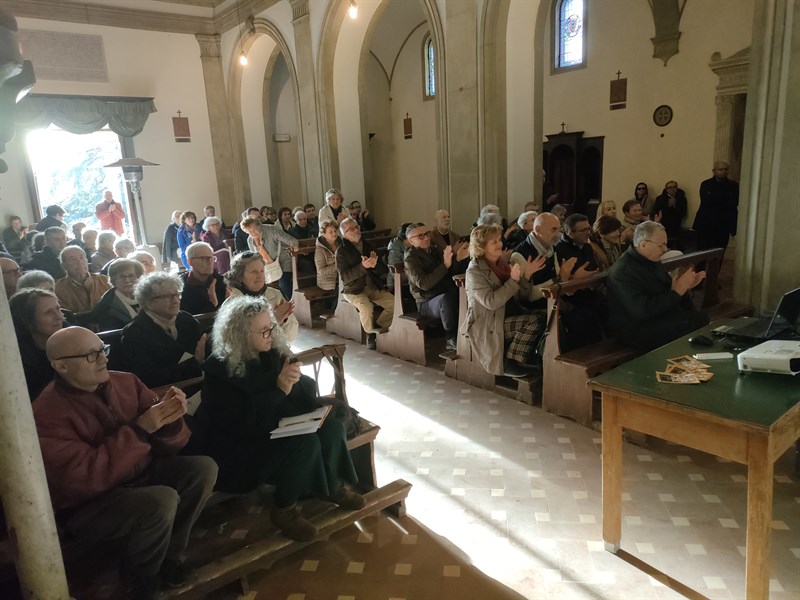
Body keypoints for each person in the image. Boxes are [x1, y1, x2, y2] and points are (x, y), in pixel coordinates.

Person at [33, 326, 217, 600]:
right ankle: (140, 576)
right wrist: (141, 430)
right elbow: (84, 477)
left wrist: (170, 419)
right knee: (160, 500)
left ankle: (171, 556)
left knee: (203, 469)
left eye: (103, 350)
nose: (104, 359)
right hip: (90, 504)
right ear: (61, 366)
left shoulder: (125, 382)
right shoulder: (46, 413)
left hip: (139, 473)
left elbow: (174, 442)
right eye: (91, 355)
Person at [194, 296, 363, 541]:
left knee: (331, 427)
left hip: (277, 427)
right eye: (263, 330)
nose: (271, 334)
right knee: (306, 443)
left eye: (271, 326)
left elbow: (301, 395)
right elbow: (239, 423)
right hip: (241, 448)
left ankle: (333, 487)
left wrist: (295, 382)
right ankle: (285, 509)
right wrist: (280, 389)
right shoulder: (218, 370)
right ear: (239, 333)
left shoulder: (271, 352)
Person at [607, 221, 709, 350]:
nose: (665, 249)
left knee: (699, 317)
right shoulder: (622, 272)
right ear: (643, 244)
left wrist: (684, 289)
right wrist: (677, 291)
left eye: (666, 244)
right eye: (661, 245)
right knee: (688, 325)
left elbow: (667, 292)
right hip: (633, 328)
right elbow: (641, 311)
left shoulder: (651, 261)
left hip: (656, 318)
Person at [462, 224, 545, 377]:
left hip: (507, 314)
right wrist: (513, 281)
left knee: (546, 316)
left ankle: (534, 358)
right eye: (493, 242)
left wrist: (526, 276)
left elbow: (521, 296)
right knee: (534, 320)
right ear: (481, 246)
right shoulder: (474, 271)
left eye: (499, 239)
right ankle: (510, 362)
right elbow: (491, 302)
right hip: (488, 322)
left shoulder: (502, 265)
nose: (500, 244)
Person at [119, 272, 206, 387]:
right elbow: (149, 380)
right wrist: (194, 363)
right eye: (167, 297)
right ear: (149, 303)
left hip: (199, 385)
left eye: (177, 294)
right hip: (165, 396)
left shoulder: (187, 320)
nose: (175, 300)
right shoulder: (134, 334)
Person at [337, 217, 394, 350]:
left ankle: (378, 326)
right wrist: (363, 266)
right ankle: (370, 335)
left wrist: (374, 266)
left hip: (372, 286)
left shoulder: (369, 245)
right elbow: (345, 277)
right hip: (353, 290)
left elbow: (383, 268)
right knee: (366, 307)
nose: (357, 230)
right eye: (352, 229)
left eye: (357, 226)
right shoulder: (341, 251)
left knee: (393, 303)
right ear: (344, 234)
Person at [403, 223, 460, 350]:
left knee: (461, 292)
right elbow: (424, 284)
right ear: (411, 241)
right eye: (421, 236)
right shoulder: (410, 259)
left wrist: (457, 259)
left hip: (443, 292)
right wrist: (445, 265)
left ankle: (466, 332)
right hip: (426, 301)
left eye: (427, 234)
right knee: (447, 299)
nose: (427, 238)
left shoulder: (434, 250)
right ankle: (450, 337)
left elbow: (450, 273)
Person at [224, 251, 299, 342]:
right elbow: (240, 342)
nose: (259, 276)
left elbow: (290, 334)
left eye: (262, 271)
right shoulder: (232, 303)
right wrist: (274, 320)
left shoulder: (276, 295)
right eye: (253, 272)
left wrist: (284, 321)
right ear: (239, 276)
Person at [9, 288, 64, 399]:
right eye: (49, 312)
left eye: (58, 309)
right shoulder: (17, 361)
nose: (59, 317)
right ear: (27, 321)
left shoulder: (72, 342)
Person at [241, 215, 298, 300]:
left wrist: (294, 246)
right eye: (249, 232)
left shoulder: (272, 230)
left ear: (259, 225)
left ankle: (290, 303)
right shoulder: (250, 240)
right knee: (260, 284)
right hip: (268, 266)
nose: (252, 233)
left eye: (254, 230)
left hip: (284, 260)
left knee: (283, 283)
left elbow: (291, 240)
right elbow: (255, 257)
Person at [693, 160, 739, 256]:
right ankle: (700, 271)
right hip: (706, 223)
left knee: (719, 253)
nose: (723, 171)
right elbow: (707, 201)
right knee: (702, 253)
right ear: (714, 171)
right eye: (720, 169)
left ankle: (715, 271)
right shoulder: (706, 184)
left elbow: (734, 204)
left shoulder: (733, 186)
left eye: (725, 169)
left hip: (723, 224)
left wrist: (733, 228)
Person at [54, 245, 111, 313]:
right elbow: (66, 317)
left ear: (87, 261)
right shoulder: (58, 290)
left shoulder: (105, 281)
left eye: (81, 257)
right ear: (63, 266)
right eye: (73, 259)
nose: (79, 262)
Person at [91, 258, 144, 331]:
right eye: (122, 277)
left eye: (131, 275)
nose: (127, 280)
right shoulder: (106, 306)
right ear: (114, 280)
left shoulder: (148, 297)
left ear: (139, 278)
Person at [179, 242, 229, 315]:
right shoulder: (181, 288)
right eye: (204, 258)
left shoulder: (222, 282)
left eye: (212, 258)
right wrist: (212, 302)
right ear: (190, 262)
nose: (210, 262)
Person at [314, 220, 340, 306]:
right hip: (328, 282)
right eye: (330, 232)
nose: (334, 234)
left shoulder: (341, 243)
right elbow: (321, 271)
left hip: (341, 278)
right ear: (324, 234)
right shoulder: (320, 250)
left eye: (335, 231)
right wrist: (338, 265)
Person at [653, 180, 688, 244]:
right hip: (664, 223)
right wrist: (668, 206)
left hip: (677, 223)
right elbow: (657, 212)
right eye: (669, 187)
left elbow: (683, 213)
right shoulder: (660, 198)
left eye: (674, 187)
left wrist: (674, 206)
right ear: (666, 189)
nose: (672, 189)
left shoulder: (681, 198)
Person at [385, 222, 413, 289]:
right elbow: (395, 273)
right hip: (397, 284)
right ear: (408, 236)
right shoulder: (394, 249)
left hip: (412, 280)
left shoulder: (414, 246)